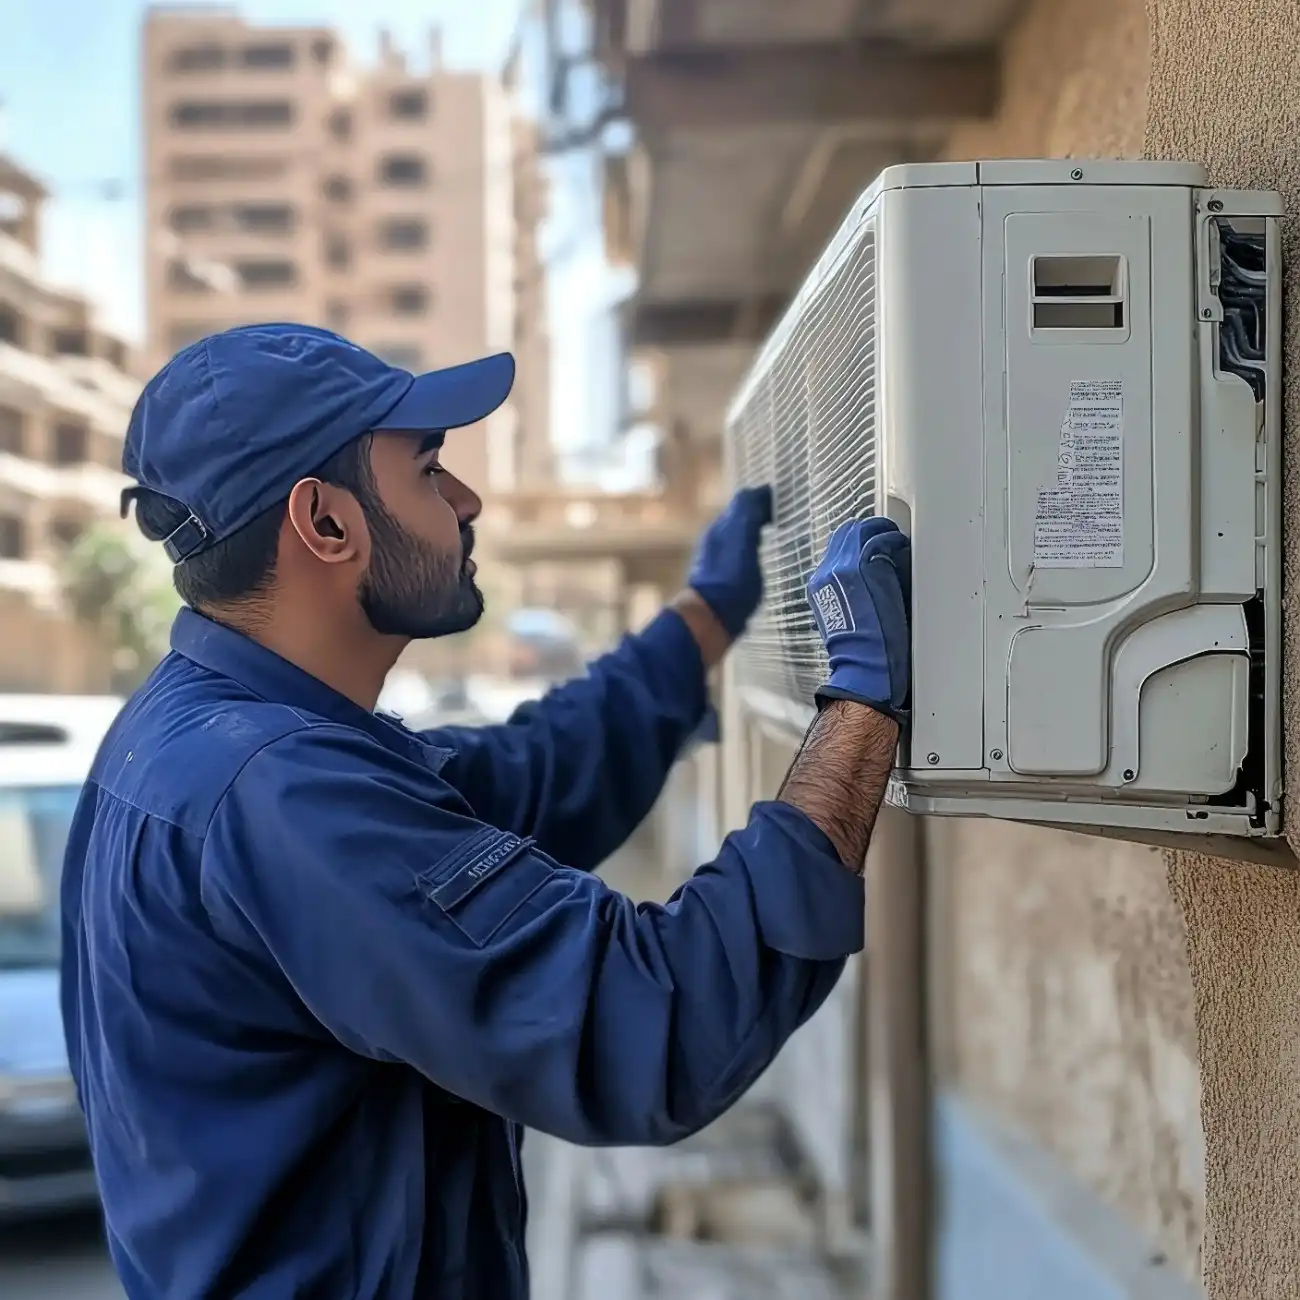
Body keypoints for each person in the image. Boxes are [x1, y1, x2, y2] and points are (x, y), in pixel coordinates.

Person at [60, 323, 912, 1300]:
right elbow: (649, 1021)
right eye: (428, 471)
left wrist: (706, 613)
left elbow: (528, 775)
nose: (466, 501)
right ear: (325, 524)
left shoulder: (210, 733)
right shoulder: (278, 790)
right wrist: (861, 708)